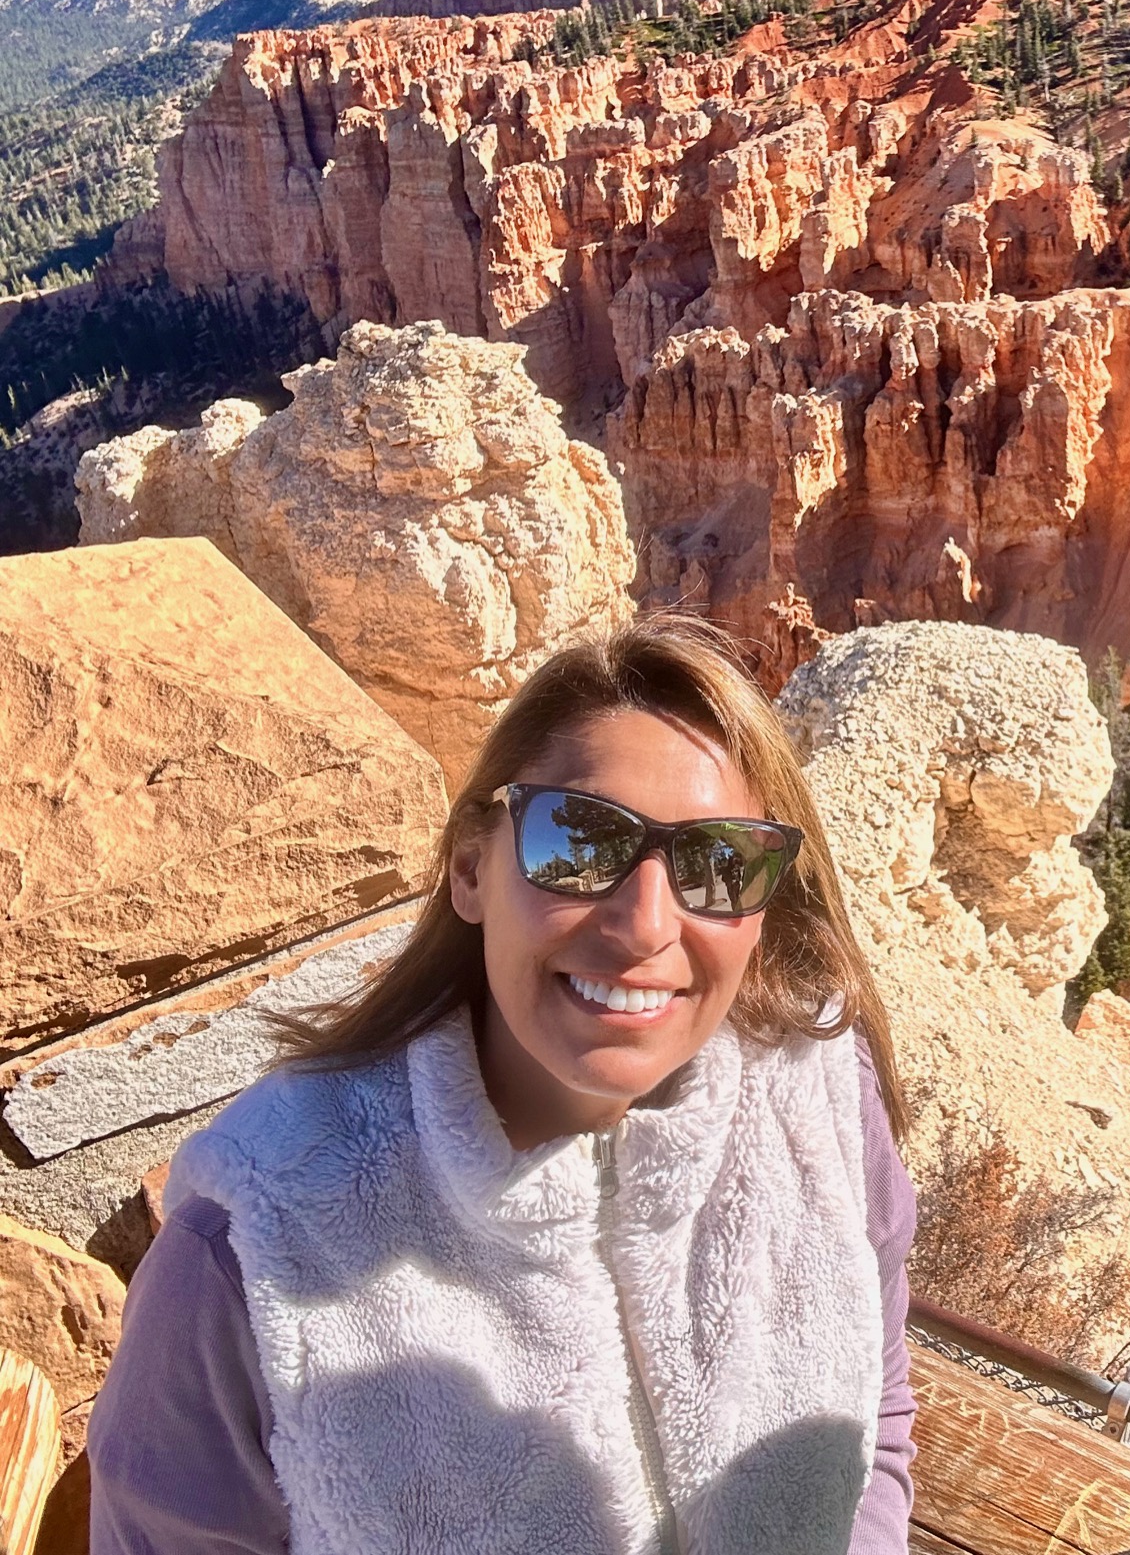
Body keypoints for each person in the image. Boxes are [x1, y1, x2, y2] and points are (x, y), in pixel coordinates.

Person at [89, 612, 917, 1555]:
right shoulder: (258, 1238)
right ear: (472, 867)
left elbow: (876, 1416)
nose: (648, 925)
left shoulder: (822, 1108)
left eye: (720, 863)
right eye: (579, 842)